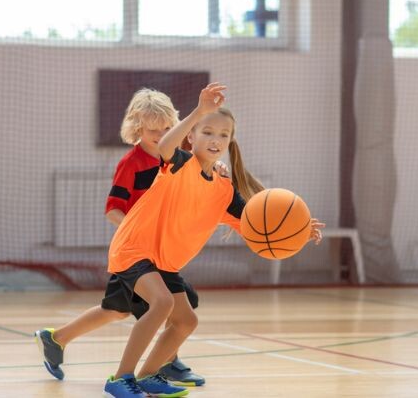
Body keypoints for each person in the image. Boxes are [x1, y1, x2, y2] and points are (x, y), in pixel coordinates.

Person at [101, 82, 324, 397]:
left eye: (223, 134)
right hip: (133, 247)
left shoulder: (223, 190)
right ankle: (121, 378)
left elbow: (257, 230)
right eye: (207, 132)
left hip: (162, 261)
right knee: (162, 303)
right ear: (191, 136)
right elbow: (165, 145)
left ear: (230, 142)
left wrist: (298, 231)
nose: (215, 139)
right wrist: (198, 111)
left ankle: (149, 374)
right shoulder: (180, 164)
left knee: (186, 321)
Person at [35, 89, 209, 387]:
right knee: (162, 303)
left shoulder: (177, 159)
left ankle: (56, 338)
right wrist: (138, 229)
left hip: (161, 252)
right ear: (137, 129)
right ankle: (167, 363)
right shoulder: (131, 164)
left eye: (167, 128)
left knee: (116, 310)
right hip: (136, 254)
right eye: (153, 130)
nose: (161, 135)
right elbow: (113, 210)